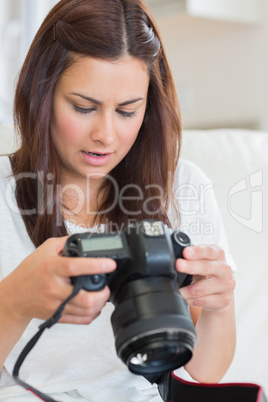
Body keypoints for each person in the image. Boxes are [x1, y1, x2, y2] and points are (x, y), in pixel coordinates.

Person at [0, 0, 236, 400]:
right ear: (41, 97)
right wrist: (14, 302)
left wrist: (219, 305)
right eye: (83, 107)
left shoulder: (183, 188)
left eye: (128, 111)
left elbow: (206, 372)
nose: (106, 136)